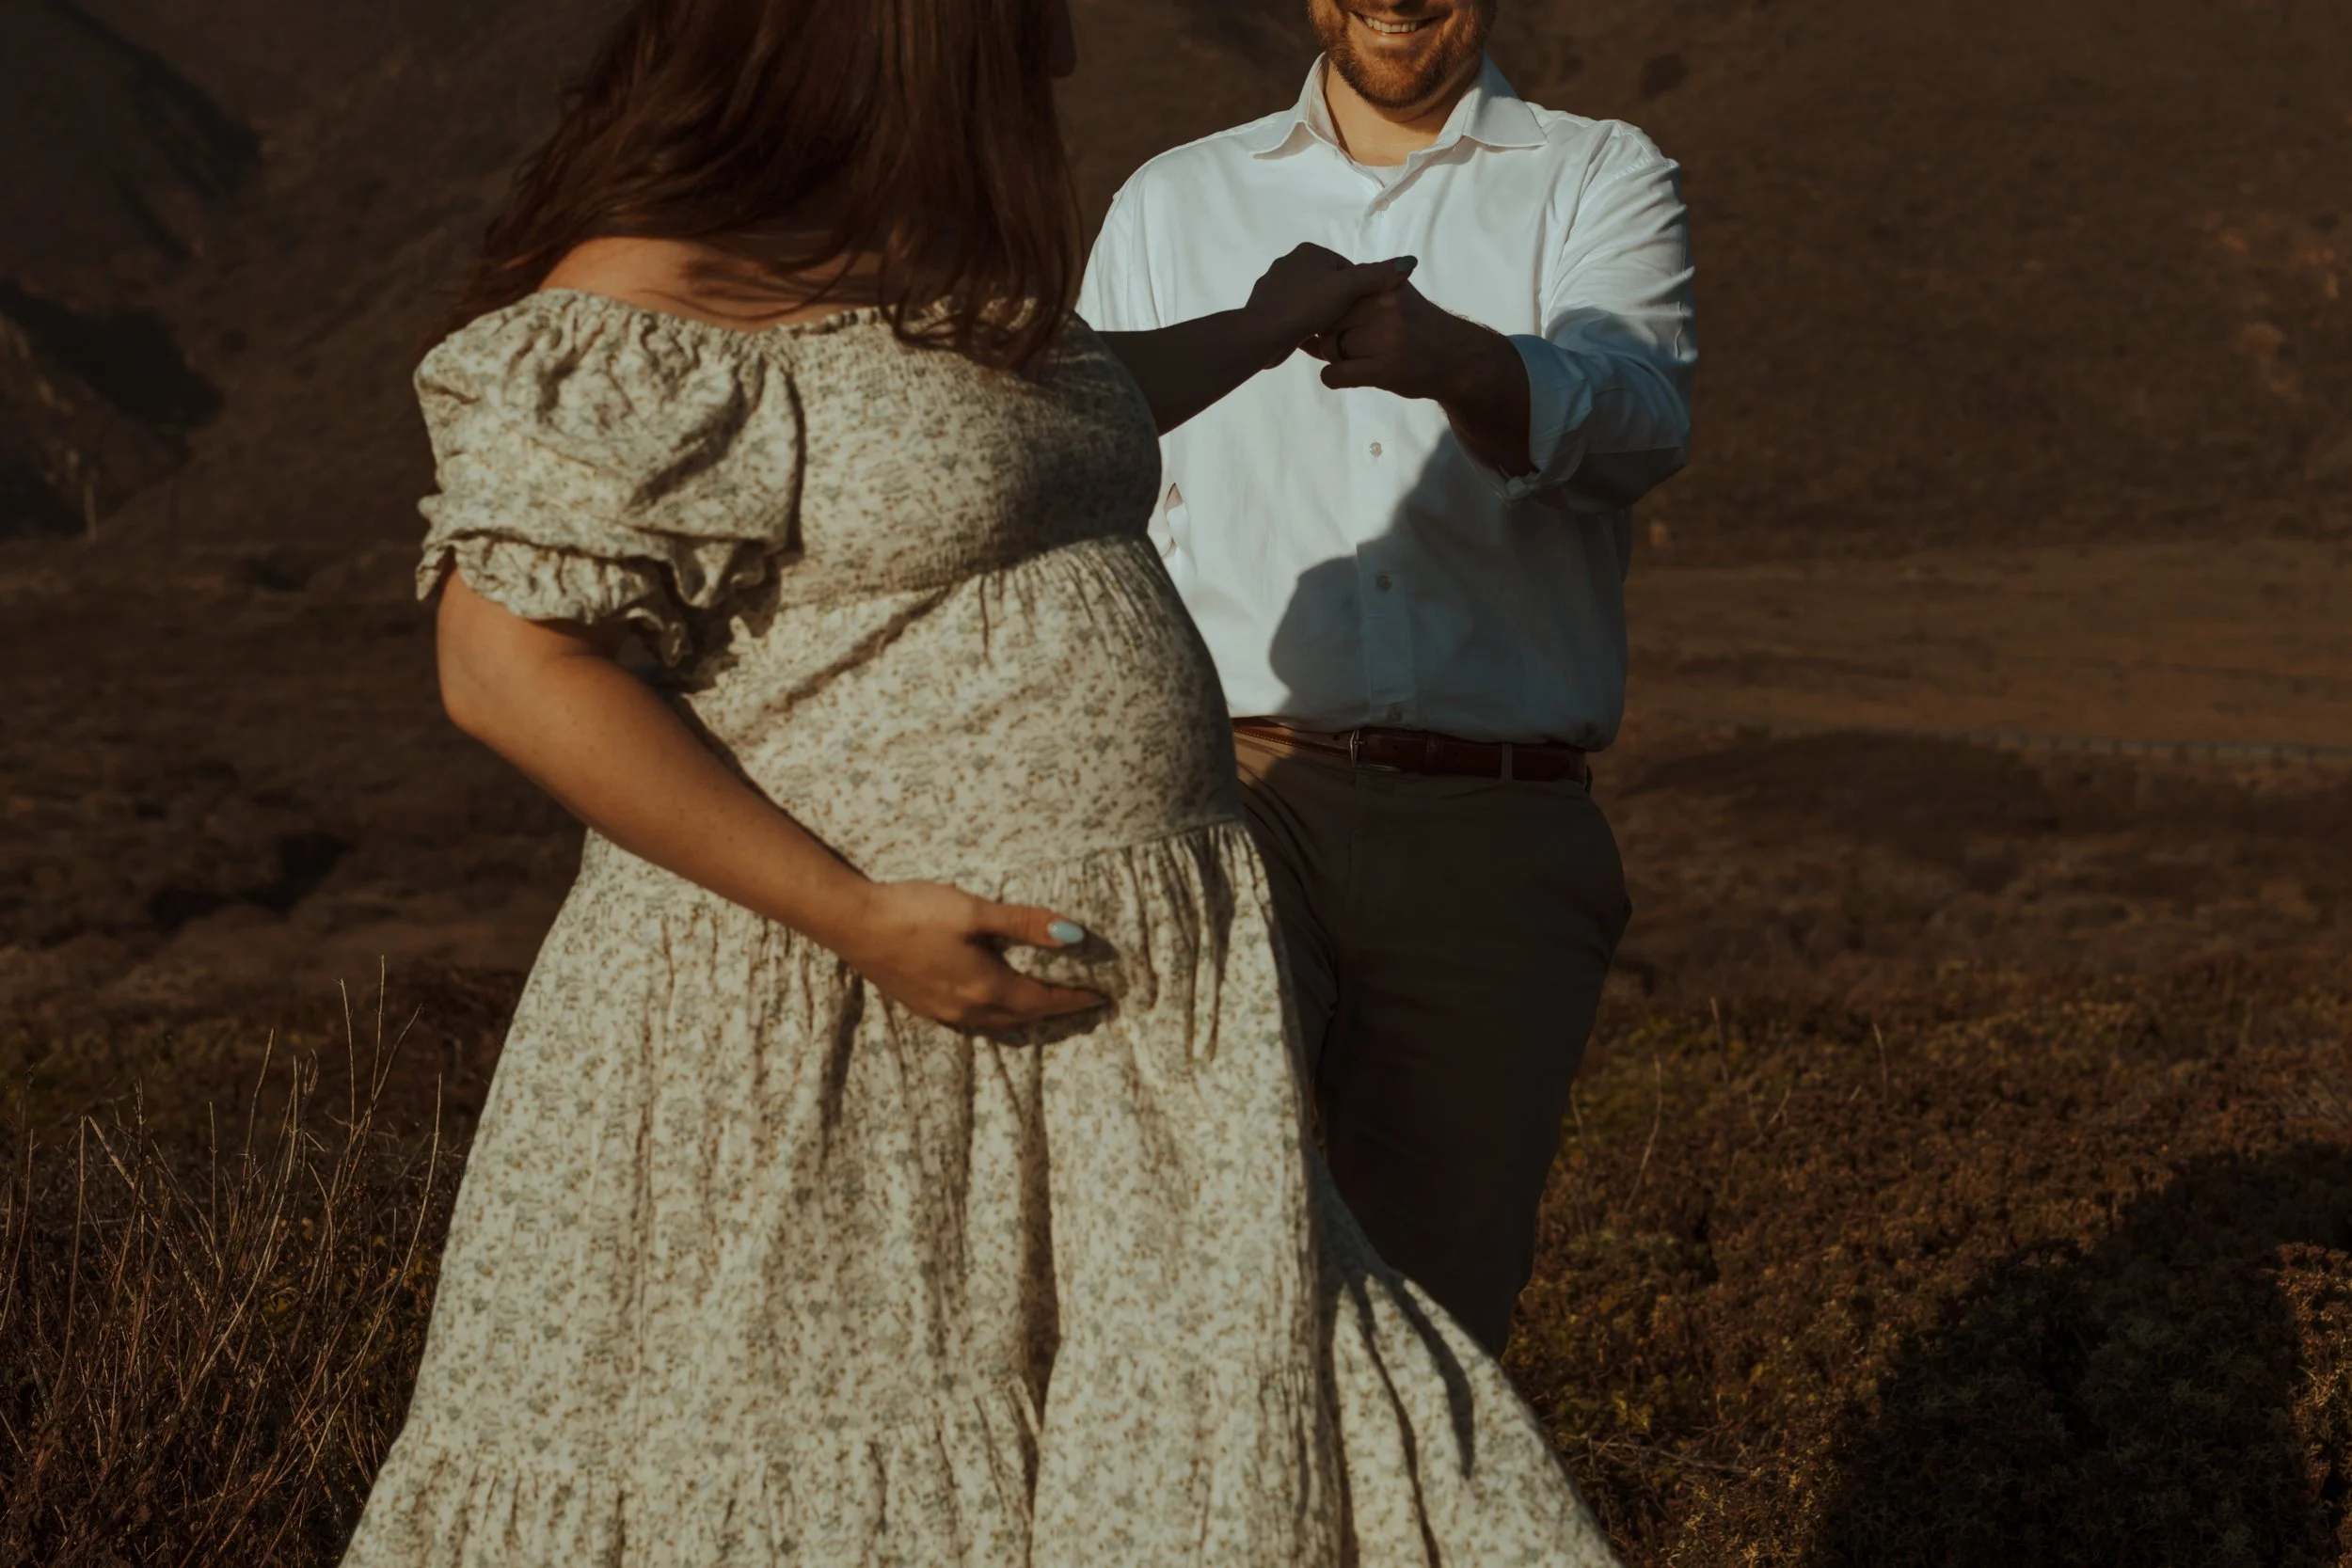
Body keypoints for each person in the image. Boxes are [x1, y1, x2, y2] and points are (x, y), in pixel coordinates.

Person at [342, 0, 1622, 1561]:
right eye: (1025, 38)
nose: (1063, 68)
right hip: (837, 1012)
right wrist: (858, 913)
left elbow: (1043, 426)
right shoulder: (650, 299)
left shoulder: (921, 276)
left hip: (1120, 1027)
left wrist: (1273, 320)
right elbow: (507, 668)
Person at [1078, 0, 1697, 1354]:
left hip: (1494, 826)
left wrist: (1463, 363)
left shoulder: (1600, 173)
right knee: (1181, 1264)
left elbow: (1644, 420)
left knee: (1437, 1325)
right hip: (1228, 798)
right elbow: (1084, 470)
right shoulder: (1171, 200)